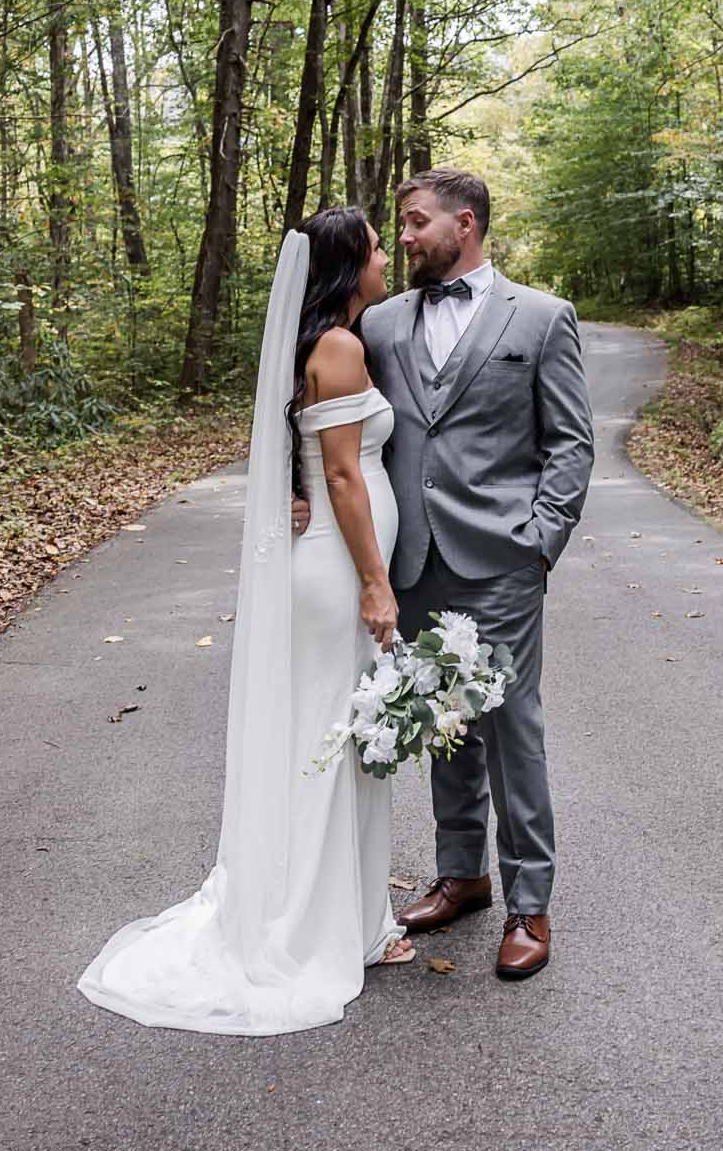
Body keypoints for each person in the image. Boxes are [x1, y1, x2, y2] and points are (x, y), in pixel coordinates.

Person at [77, 208, 416, 1036]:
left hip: (336, 569)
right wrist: (377, 583)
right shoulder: (338, 348)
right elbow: (340, 477)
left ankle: (351, 915)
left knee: (334, 741)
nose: (384, 258)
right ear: (346, 265)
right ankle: (315, 926)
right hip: (340, 575)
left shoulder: (330, 345)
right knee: (332, 746)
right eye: (376, 247)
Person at [364, 168, 595, 980]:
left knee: (509, 727)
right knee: (441, 721)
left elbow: (570, 442)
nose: (404, 236)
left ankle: (531, 901)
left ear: (465, 224)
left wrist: (540, 542)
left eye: (416, 221)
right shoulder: (381, 323)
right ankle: (463, 874)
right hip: (415, 557)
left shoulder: (540, 317)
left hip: (502, 559)